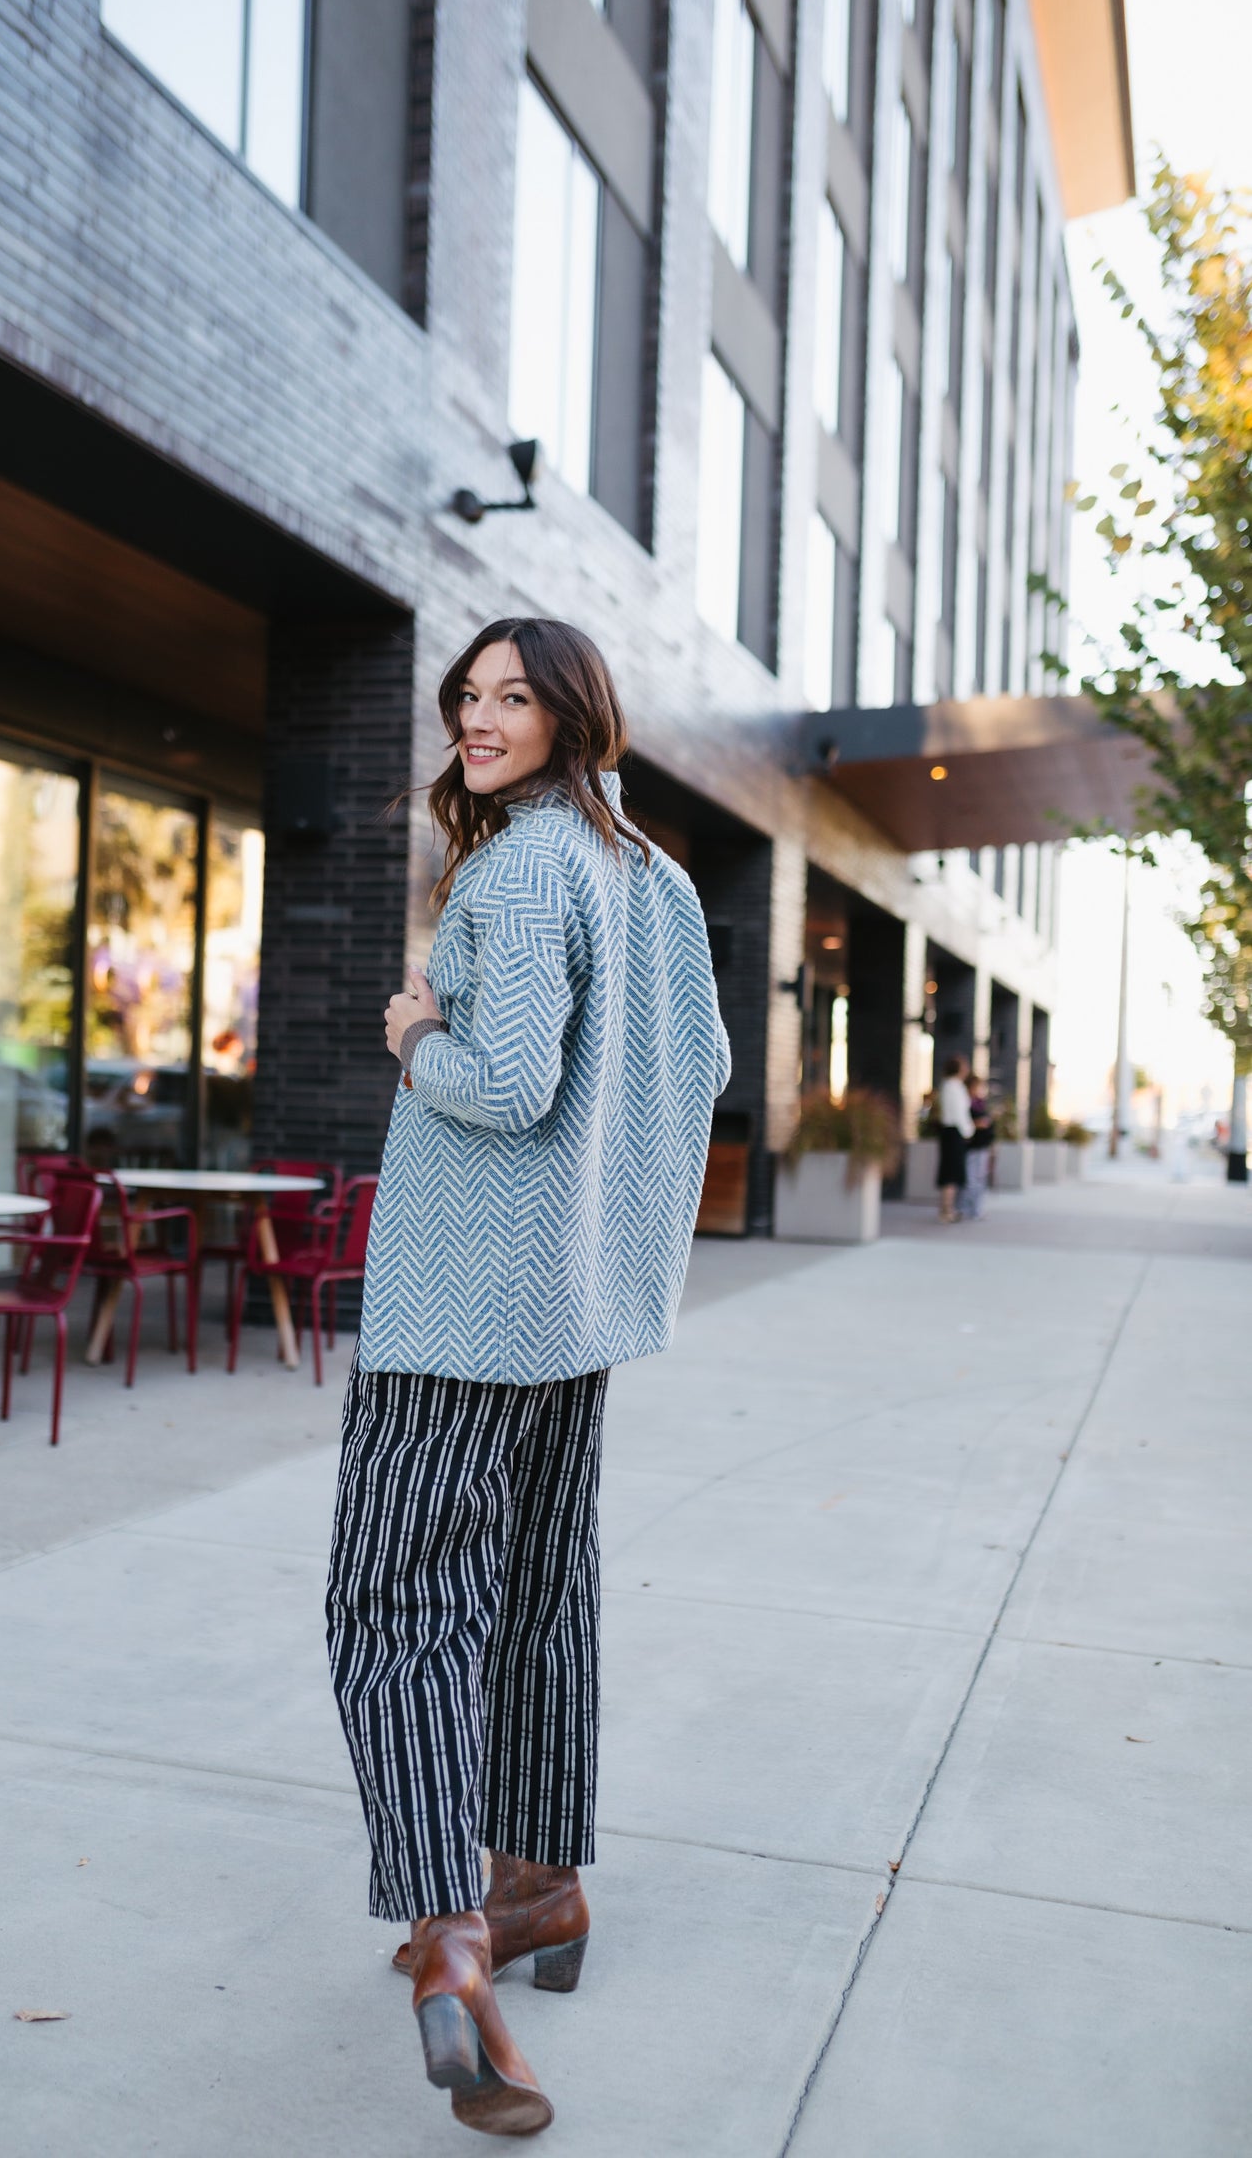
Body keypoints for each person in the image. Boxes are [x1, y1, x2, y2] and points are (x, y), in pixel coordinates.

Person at [326, 617, 730, 2138]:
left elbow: (507, 1083)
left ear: (574, 714)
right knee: (538, 1588)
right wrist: (611, 1223)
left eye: (513, 698)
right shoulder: (654, 872)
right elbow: (695, 1074)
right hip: (576, 1310)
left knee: (397, 1601)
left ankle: (450, 1940)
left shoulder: (515, 868)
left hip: (463, 1309)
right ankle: (541, 1883)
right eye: (468, 695)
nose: (480, 720)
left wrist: (415, 1034)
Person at [937, 1054, 973, 1222]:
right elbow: (959, 1114)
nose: (967, 1069)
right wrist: (968, 1132)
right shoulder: (953, 1086)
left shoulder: (950, 1086)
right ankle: (947, 1211)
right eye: (964, 1066)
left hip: (952, 1132)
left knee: (951, 1171)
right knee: (951, 1172)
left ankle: (947, 1209)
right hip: (954, 1132)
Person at [959, 1071, 993, 1219]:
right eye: (977, 1086)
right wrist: (976, 1124)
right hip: (971, 1146)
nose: (979, 1090)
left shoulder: (980, 1104)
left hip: (983, 1146)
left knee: (981, 1178)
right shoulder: (965, 1103)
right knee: (970, 1178)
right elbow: (964, 1123)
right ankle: (966, 1208)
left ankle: (977, 1209)